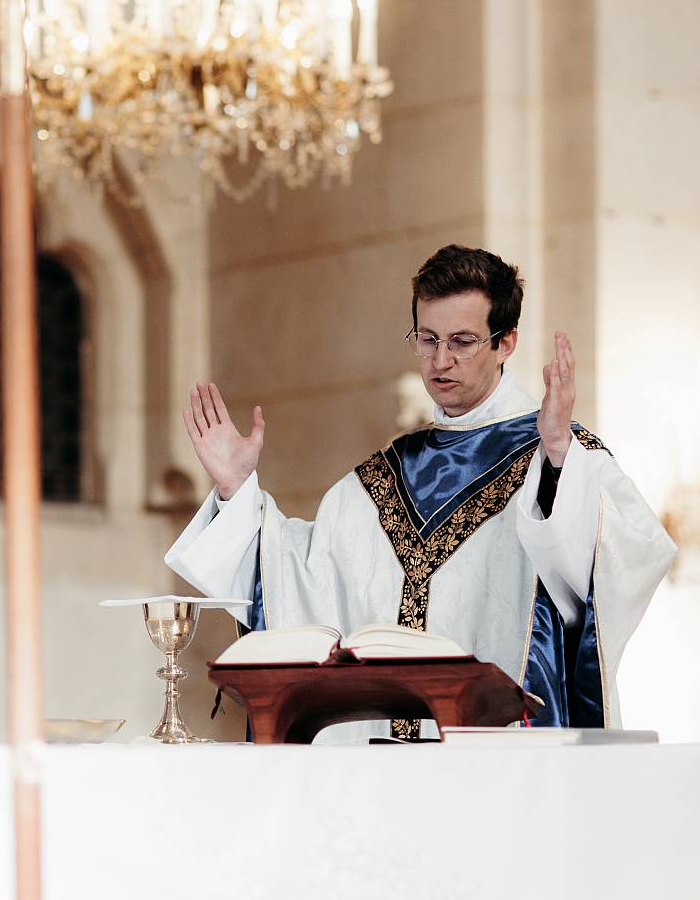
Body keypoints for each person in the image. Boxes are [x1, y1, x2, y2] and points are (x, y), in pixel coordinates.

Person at [165, 245, 676, 741]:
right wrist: (236, 489)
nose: (440, 361)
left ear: (507, 342)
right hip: (384, 774)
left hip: (507, 763)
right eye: (427, 339)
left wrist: (560, 454)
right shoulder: (379, 478)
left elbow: (616, 566)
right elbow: (298, 579)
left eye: (462, 341)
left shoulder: (558, 456)